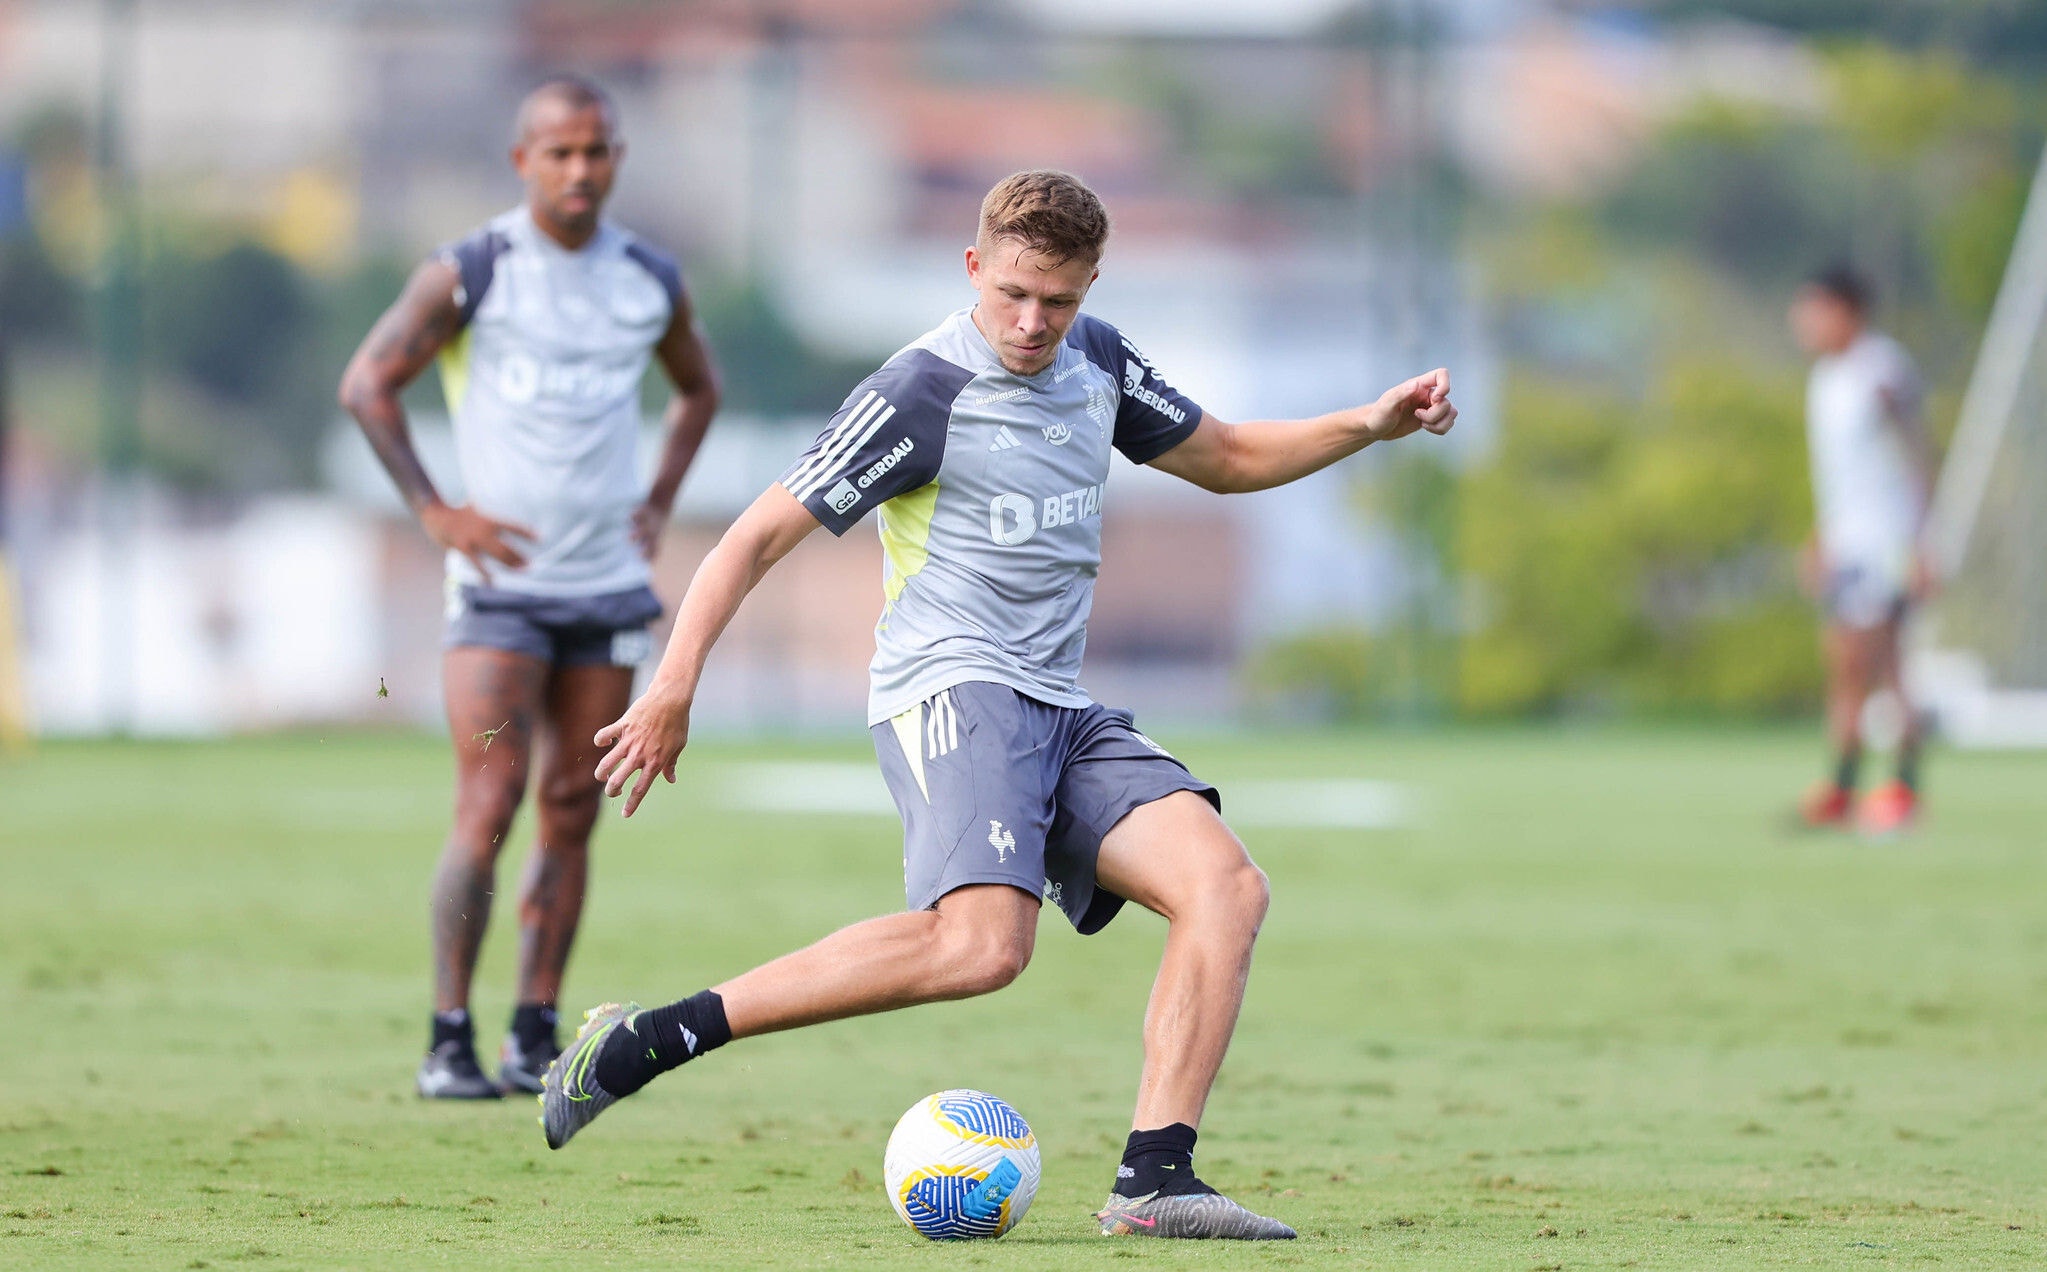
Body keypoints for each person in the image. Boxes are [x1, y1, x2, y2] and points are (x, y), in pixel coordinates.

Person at [542, 170, 1455, 1240]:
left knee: (1226, 887)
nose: (1031, 324)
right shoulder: (919, 393)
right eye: (1013, 295)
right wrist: (674, 685)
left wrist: (1369, 422)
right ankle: (648, 1041)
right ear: (974, 268)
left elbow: (1229, 457)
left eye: (1057, 302)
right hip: (952, 685)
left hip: (1061, 705)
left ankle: (1154, 1182)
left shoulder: (1101, 360)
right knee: (981, 949)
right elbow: (751, 538)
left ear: (1090, 287)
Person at [338, 77, 722, 1098]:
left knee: (569, 808)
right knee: (491, 802)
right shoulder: (472, 271)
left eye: (596, 151)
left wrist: (658, 499)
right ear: (523, 162)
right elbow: (367, 384)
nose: (580, 170)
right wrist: (433, 511)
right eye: (559, 153)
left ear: (617, 159)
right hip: (500, 596)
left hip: (604, 590)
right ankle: (447, 1038)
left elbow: (700, 389)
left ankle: (531, 1034)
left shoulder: (647, 276)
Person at [1790, 265, 1935, 835]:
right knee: (1845, 667)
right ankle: (1843, 787)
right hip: (1848, 543)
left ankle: (1903, 787)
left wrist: (1925, 541)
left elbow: (1916, 453)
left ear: (1847, 311)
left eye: (1814, 308)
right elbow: (1842, 475)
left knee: (1887, 666)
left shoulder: (1883, 371)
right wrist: (1822, 534)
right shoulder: (1826, 378)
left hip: (1888, 542)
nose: (1803, 321)